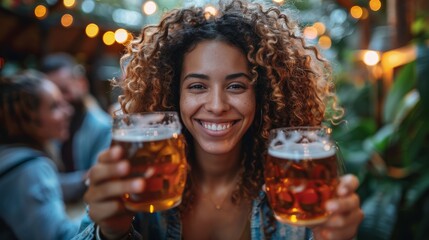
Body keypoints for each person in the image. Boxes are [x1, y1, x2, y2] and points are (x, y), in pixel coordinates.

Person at [74, 0, 364, 239]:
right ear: (174, 94)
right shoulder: (140, 176)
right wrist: (110, 232)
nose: (216, 106)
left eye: (236, 86)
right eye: (197, 86)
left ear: (262, 95)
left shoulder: (296, 181)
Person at [0, 71, 78, 239]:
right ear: (26, 120)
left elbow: (54, 186)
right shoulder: (30, 168)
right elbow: (60, 236)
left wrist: (89, 178)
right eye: (55, 106)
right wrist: (101, 219)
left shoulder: (9, 155)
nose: (68, 111)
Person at [40, 53, 112, 203]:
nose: (60, 101)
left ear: (82, 84)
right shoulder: (48, 126)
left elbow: (96, 182)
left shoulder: (103, 127)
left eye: (64, 90)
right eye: (52, 97)